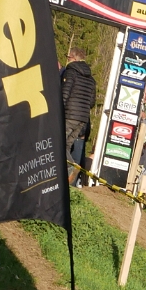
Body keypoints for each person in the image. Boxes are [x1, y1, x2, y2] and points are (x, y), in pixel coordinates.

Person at [60, 49, 96, 188]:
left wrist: (60, 111)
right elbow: (91, 102)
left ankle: (71, 167)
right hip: (82, 119)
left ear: (74, 58)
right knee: (67, 146)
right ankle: (67, 173)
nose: (67, 59)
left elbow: (65, 93)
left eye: (68, 57)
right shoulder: (91, 79)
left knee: (59, 144)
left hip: (69, 115)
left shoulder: (70, 72)